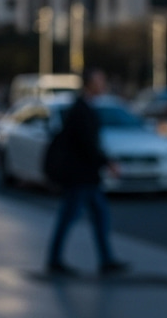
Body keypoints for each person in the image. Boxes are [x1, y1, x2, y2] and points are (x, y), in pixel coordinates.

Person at [46, 67, 130, 276]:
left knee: (96, 215)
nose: (103, 85)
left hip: (86, 176)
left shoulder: (85, 107)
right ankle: (56, 260)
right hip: (80, 176)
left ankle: (105, 259)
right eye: (100, 81)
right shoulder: (81, 109)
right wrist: (108, 163)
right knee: (71, 216)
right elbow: (87, 144)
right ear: (90, 83)